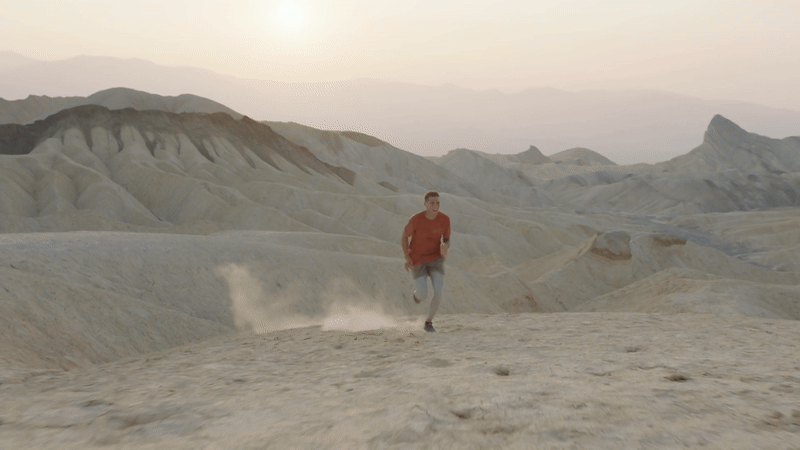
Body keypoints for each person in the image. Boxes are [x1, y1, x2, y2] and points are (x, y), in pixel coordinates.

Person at [401, 191, 451, 332]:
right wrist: (407, 257)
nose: (435, 206)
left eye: (438, 203)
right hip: (418, 260)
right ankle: (417, 296)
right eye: (432, 203)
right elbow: (404, 237)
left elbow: (447, 239)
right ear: (425, 204)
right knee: (423, 295)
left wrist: (445, 246)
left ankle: (428, 322)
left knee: (439, 292)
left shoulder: (445, 219)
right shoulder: (415, 220)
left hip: (436, 259)